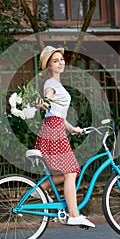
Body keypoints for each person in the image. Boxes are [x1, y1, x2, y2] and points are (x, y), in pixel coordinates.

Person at [34, 45, 95, 228]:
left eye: (61, 59)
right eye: (55, 60)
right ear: (48, 66)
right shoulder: (51, 85)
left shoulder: (56, 84)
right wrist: (45, 101)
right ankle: (74, 215)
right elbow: (48, 97)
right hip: (54, 131)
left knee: (71, 171)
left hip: (57, 127)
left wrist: (73, 128)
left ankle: (40, 188)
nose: (60, 62)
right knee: (70, 172)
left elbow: (56, 114)